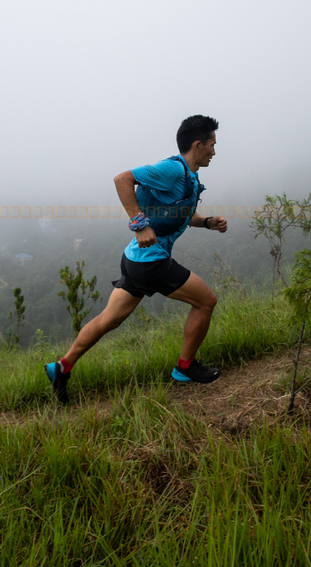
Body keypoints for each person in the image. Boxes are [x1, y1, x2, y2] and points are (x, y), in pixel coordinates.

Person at [44, 115, 228, 403]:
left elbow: (178, 213)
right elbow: (122, 179)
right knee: (206, 301)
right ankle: (184, 368)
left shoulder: (189, 176)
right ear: (197, 144)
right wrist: (139, 225)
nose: (215, 152)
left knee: (109, 320)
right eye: (212, 145)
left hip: (134, 258)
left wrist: (207, 222)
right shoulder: (172, 169)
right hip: (150, 262)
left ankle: (61, 367)